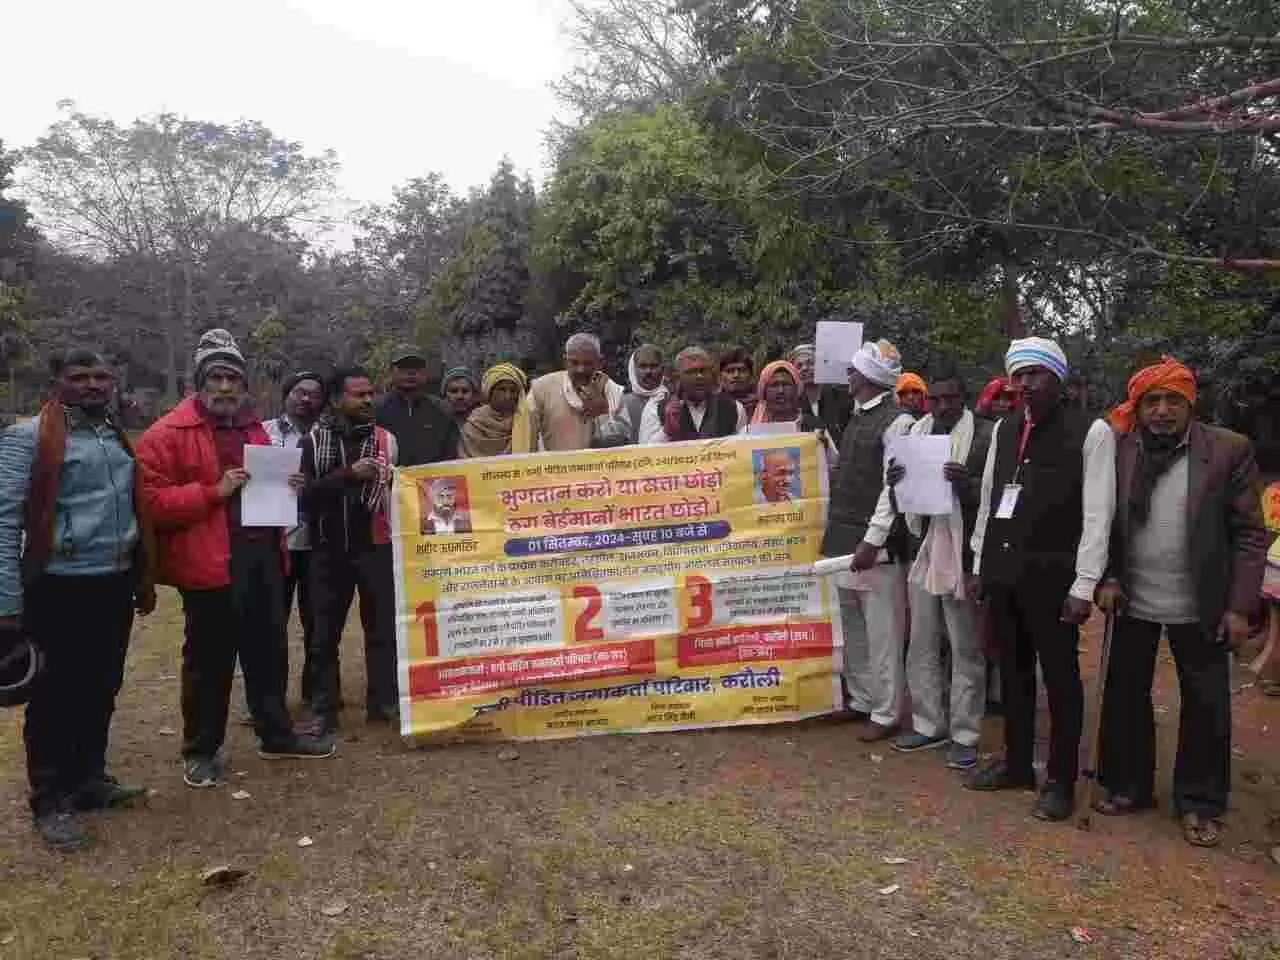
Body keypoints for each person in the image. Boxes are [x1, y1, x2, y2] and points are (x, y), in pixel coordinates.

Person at [138, 329, 333, 791]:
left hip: (262, 555)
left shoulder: (252, 427)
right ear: (199, 381)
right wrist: (213, 492)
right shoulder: (167, 433)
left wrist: (290, 487)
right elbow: (150, 504)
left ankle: (276, 734)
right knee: (209, 661)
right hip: (209, 561)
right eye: (217, 377)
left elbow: (264, 487)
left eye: (233, 379)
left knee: (269, 652)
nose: (225, 387)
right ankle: (201, 751)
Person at [1094, 358, 1265, 847]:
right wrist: (1108, 576)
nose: (1162, 411)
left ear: (1191, 403)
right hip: (1132, 596)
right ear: (1138, 407)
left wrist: (1240, 607)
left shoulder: (1228, 449)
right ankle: (1128, 786)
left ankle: (1199, 802)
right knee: (1125, 695)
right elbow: (1103, 519)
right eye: (1152, 401)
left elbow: (1250, 534)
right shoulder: (1120, 448)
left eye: (1173, 400)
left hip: (1202, 601)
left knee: (1206, 702)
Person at [0, 349, 156, 849]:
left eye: (101, 376)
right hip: (57, 585)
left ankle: (88, 780)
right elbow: (5, 521)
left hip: (113, 581)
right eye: (79, 377)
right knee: (54, 696)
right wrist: (6, 603)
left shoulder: (113, 434)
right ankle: (49, 799)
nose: (92, 384)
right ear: (56, 382)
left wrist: (140, 574)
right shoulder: (27, 437)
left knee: (101, 685)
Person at [967, 337, 1115, 822]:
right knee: (1012, 673)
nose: (1027, 384)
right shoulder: (1005, 429)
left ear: (1058, 377)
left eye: (1037, 374)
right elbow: (990, 500)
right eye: (1020, 375)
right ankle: (1015, 765)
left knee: (1061, 680)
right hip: (1005, 572)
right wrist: (979, 565)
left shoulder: (1092, 432)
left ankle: (1060, 780)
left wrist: (1084, 585)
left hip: (1055, 579)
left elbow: (1098, 516)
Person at [886, 368, 993, 771]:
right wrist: (895, 483)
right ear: (927, 401)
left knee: (965, 646)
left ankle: (965, 734)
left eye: (951, 399)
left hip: (963, 552)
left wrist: (967, 485)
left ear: (964, 399)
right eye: (936, 399)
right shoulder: (915, 437)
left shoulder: (985, 436)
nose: (943, 406)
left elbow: (995, 495)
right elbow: (902, 504)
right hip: (923, 548)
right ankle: (928, 724)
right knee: (921, 641)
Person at [821, 340, 915, 742]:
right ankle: (862, 698)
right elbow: (852, 468)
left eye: (854, 371)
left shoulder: (899, 423)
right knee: (853, 627)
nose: (848, 375)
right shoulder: (857, 416)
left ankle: (887, 711)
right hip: (843, 536)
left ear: (868, 377)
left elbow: (893, 489)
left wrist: (873, 540)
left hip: (875, 545)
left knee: (883, 631)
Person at [301, 366, 400, 735]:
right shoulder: (313, 442)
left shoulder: (387, 440)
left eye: (371, 393)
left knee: (382, 629)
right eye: (359, 395)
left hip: (376, 547)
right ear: (336, 399)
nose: (368, 400)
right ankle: (324, 708)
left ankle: (384, 704)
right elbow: (304, 497)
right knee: (324, 635)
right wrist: (349, 475)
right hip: (328, 550)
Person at [264, 371, 325, 706]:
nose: (306, 399)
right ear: (286, 395)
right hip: (275, 542)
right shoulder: (263, 433)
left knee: (318, 624)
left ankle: (316, 695)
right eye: (300, 392)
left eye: (314, 394)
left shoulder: (327, 436)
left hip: (318, 543)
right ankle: (268, 698)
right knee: (271, 623)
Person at [526, 333, 628, 451]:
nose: (581, 369)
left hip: (599, 463)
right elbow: (526, 437)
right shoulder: (541, 388)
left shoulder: (613, 391)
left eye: (588, 363)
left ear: (600, 362)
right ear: (565, 361)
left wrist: (601, 413)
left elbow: (623, 442)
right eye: (574, 363)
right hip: (553, 462)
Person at [639, 346, 747, 444]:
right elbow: (644, 453)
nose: (699, 376)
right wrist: (666, 431)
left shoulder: (734, 408)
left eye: (703, 371)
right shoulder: (655, 408)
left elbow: (743, 448)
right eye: (691, 372)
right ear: (677, 377)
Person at [376, 344, 458, 467]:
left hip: (433, 477)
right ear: (391, 372)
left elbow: (451, 455)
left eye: (417, 367)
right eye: (403, 367)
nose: (411, 372)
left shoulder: (442, 409)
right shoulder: (376, 408)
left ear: (425, 373)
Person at [460, 363, 532, 458]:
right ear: (489, 392)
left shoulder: (527, 421)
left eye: (513, 391)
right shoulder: (475, 424)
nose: (508, 396)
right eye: (501, 389)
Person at [790, 340, 851, 441]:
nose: (804, 368)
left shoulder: (840, 394)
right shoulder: (794, 403)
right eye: (799, 366)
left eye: (810, 363)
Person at [622, 345, 666, 443]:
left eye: (653, 366)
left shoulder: (673, 401)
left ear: (662, 370)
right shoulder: (620, 404)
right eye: (643, 366)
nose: (648, 371)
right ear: (633, 370)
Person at [719, 346, 756, 421]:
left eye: (742, 370)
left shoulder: (762, 407)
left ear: (751, 376)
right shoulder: (711, 406)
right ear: (720, 377)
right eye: (730, 371)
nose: (736, 375)